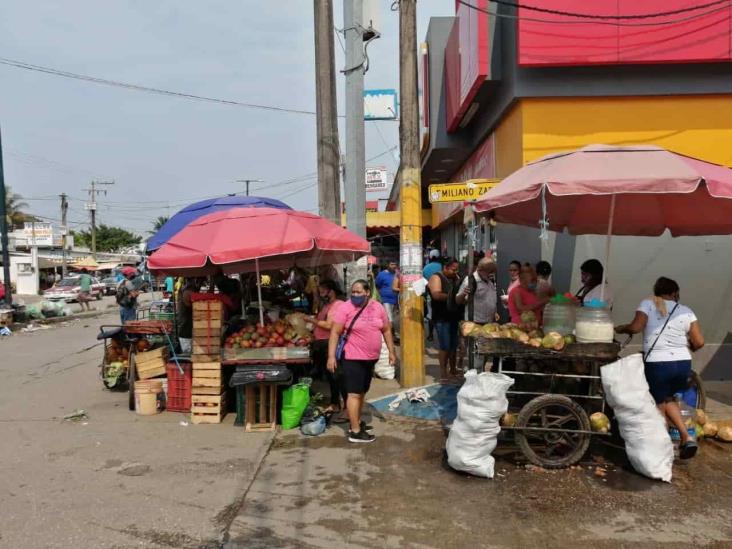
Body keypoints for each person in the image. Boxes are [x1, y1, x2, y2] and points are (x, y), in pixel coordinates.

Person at [615, 277, 704, 459]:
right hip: (683, 363)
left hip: (659, 364)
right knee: (668, 399)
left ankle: (661, 450)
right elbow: (699, 341)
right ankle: (686, 437)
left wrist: (622, 328)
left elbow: (637, 326)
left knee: (657, 404)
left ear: (656, 291)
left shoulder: (648, 303)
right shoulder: (686, 311)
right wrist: (687, 347)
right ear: (675, 293)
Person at [328, 280, 396, 443]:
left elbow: (386, 330)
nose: (355, 295)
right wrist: (331, 356)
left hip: (371, 358)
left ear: (367, 292)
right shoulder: (345, 307)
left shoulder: (377, 307)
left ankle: (356, 421)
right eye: (353, 292)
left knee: (362, 392)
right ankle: (355, 432)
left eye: (359, 292)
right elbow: (335, 333)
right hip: (352, 357)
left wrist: (392, 352)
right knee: (353, 393)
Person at [309, 280, 346, 414]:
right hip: (322, 343)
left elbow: (330, 325)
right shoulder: (328, 305)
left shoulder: (337, 305)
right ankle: (336, 403)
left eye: (323, 290)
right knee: (331, 376)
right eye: (320, 291)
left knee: (336, 376)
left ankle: (343, 406)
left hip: (329, 343)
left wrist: (310, 320)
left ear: (332, 290)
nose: (321, 293)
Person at [428, 257, 462, 382]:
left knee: (453, 345)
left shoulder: (455, 277)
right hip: (442, 318)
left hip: (454, 316)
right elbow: (436, 295)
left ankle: (453, 370)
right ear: (445, 268)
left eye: (457, 269)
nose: (456, 272)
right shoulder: (436, 277)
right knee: (445, 346)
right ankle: (443, 372)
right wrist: (454, 297)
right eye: (453, 269)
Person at [177, 278, 202, 354]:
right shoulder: (187, 292)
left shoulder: (188, 290)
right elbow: (191, 305)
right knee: (188, 354)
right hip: (186, 329)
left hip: (188, 327)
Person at [423, 250, 442, 342]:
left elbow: (423, 282)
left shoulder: (426, 268)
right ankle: (440, 334)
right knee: (441, 315)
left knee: (430, 315)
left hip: (430, 295)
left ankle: (430, 335)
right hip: (442, 295)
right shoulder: (442, 266)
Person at [375, 261, 399, 329]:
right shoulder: (381, 274)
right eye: (392, 264)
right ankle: (389, 336)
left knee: (394, 319)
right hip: (386, 300)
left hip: (397, 300)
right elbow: (377, 285)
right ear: (387, 265)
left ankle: (392, 334)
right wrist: (381, 295)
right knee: (389, 319)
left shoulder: (397, 274)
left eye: (395, 264)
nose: (394, 266)